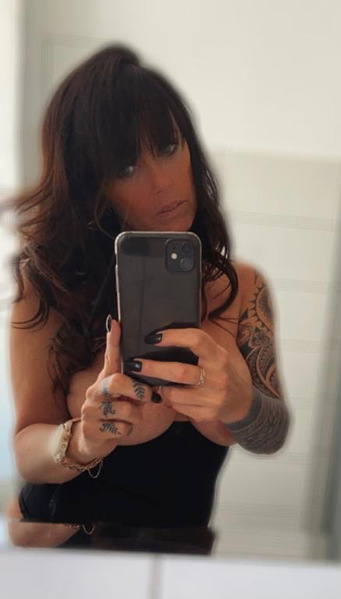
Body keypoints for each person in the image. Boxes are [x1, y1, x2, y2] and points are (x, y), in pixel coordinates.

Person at [6, 44, 290, 552]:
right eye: (126, 168)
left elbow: (273, 432)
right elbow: (28, 451)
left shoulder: (241, 287)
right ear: (94, 188)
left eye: (167, 146)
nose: (163, 182)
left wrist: (241, 402)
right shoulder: (49, 287)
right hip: (65, 555)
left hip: (175, 562)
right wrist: (85, 438)